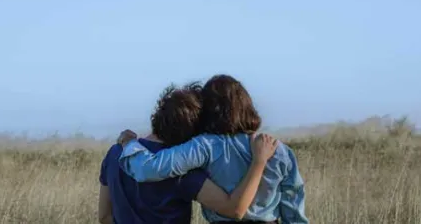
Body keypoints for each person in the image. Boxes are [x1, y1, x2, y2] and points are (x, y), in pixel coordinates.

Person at [117, 75, 309, 224]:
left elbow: (149, 168)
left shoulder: (205, 145)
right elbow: (294, 211)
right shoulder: (278, 150)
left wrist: (130, 144)